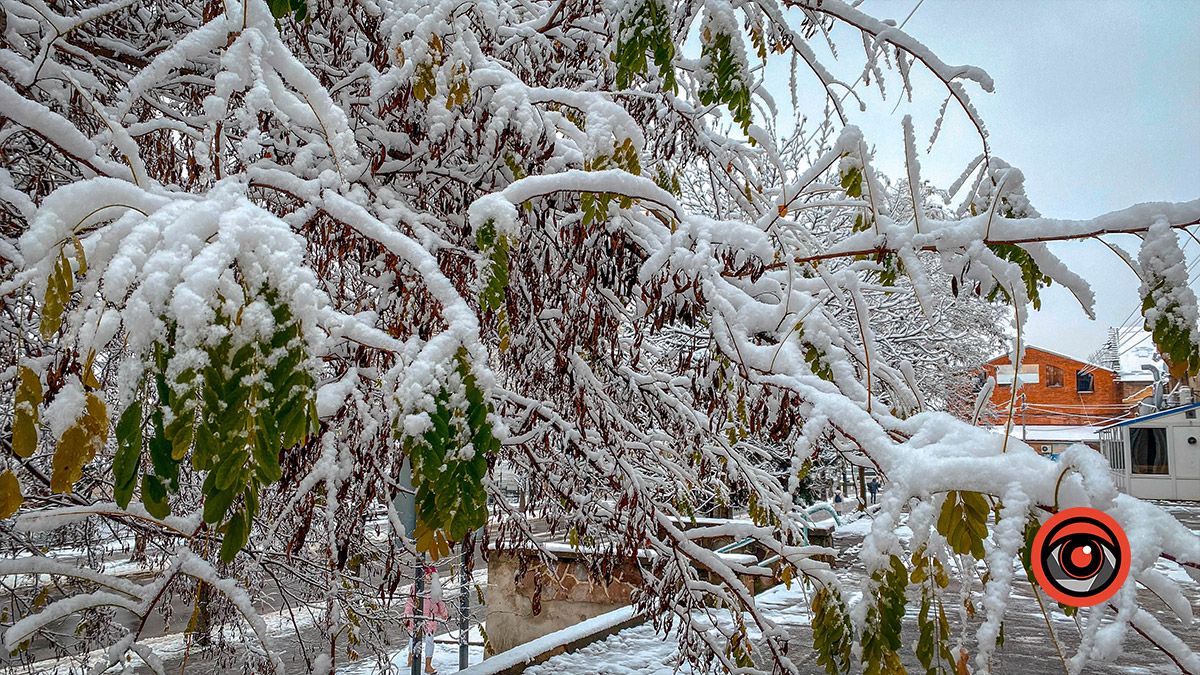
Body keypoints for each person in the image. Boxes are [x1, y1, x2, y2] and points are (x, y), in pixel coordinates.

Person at [405, 565, 450, 674]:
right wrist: (407, 615)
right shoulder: (415, 586)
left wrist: (444, 613)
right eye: (428, 574)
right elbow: (410, 601)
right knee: (413, 638)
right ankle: (411, 657)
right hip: (416, 617)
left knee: (430, 640)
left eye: (432, 575)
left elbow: (440, 602)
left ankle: (428, 665)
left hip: (430, 617)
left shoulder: (435, 588)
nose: (430, 577)